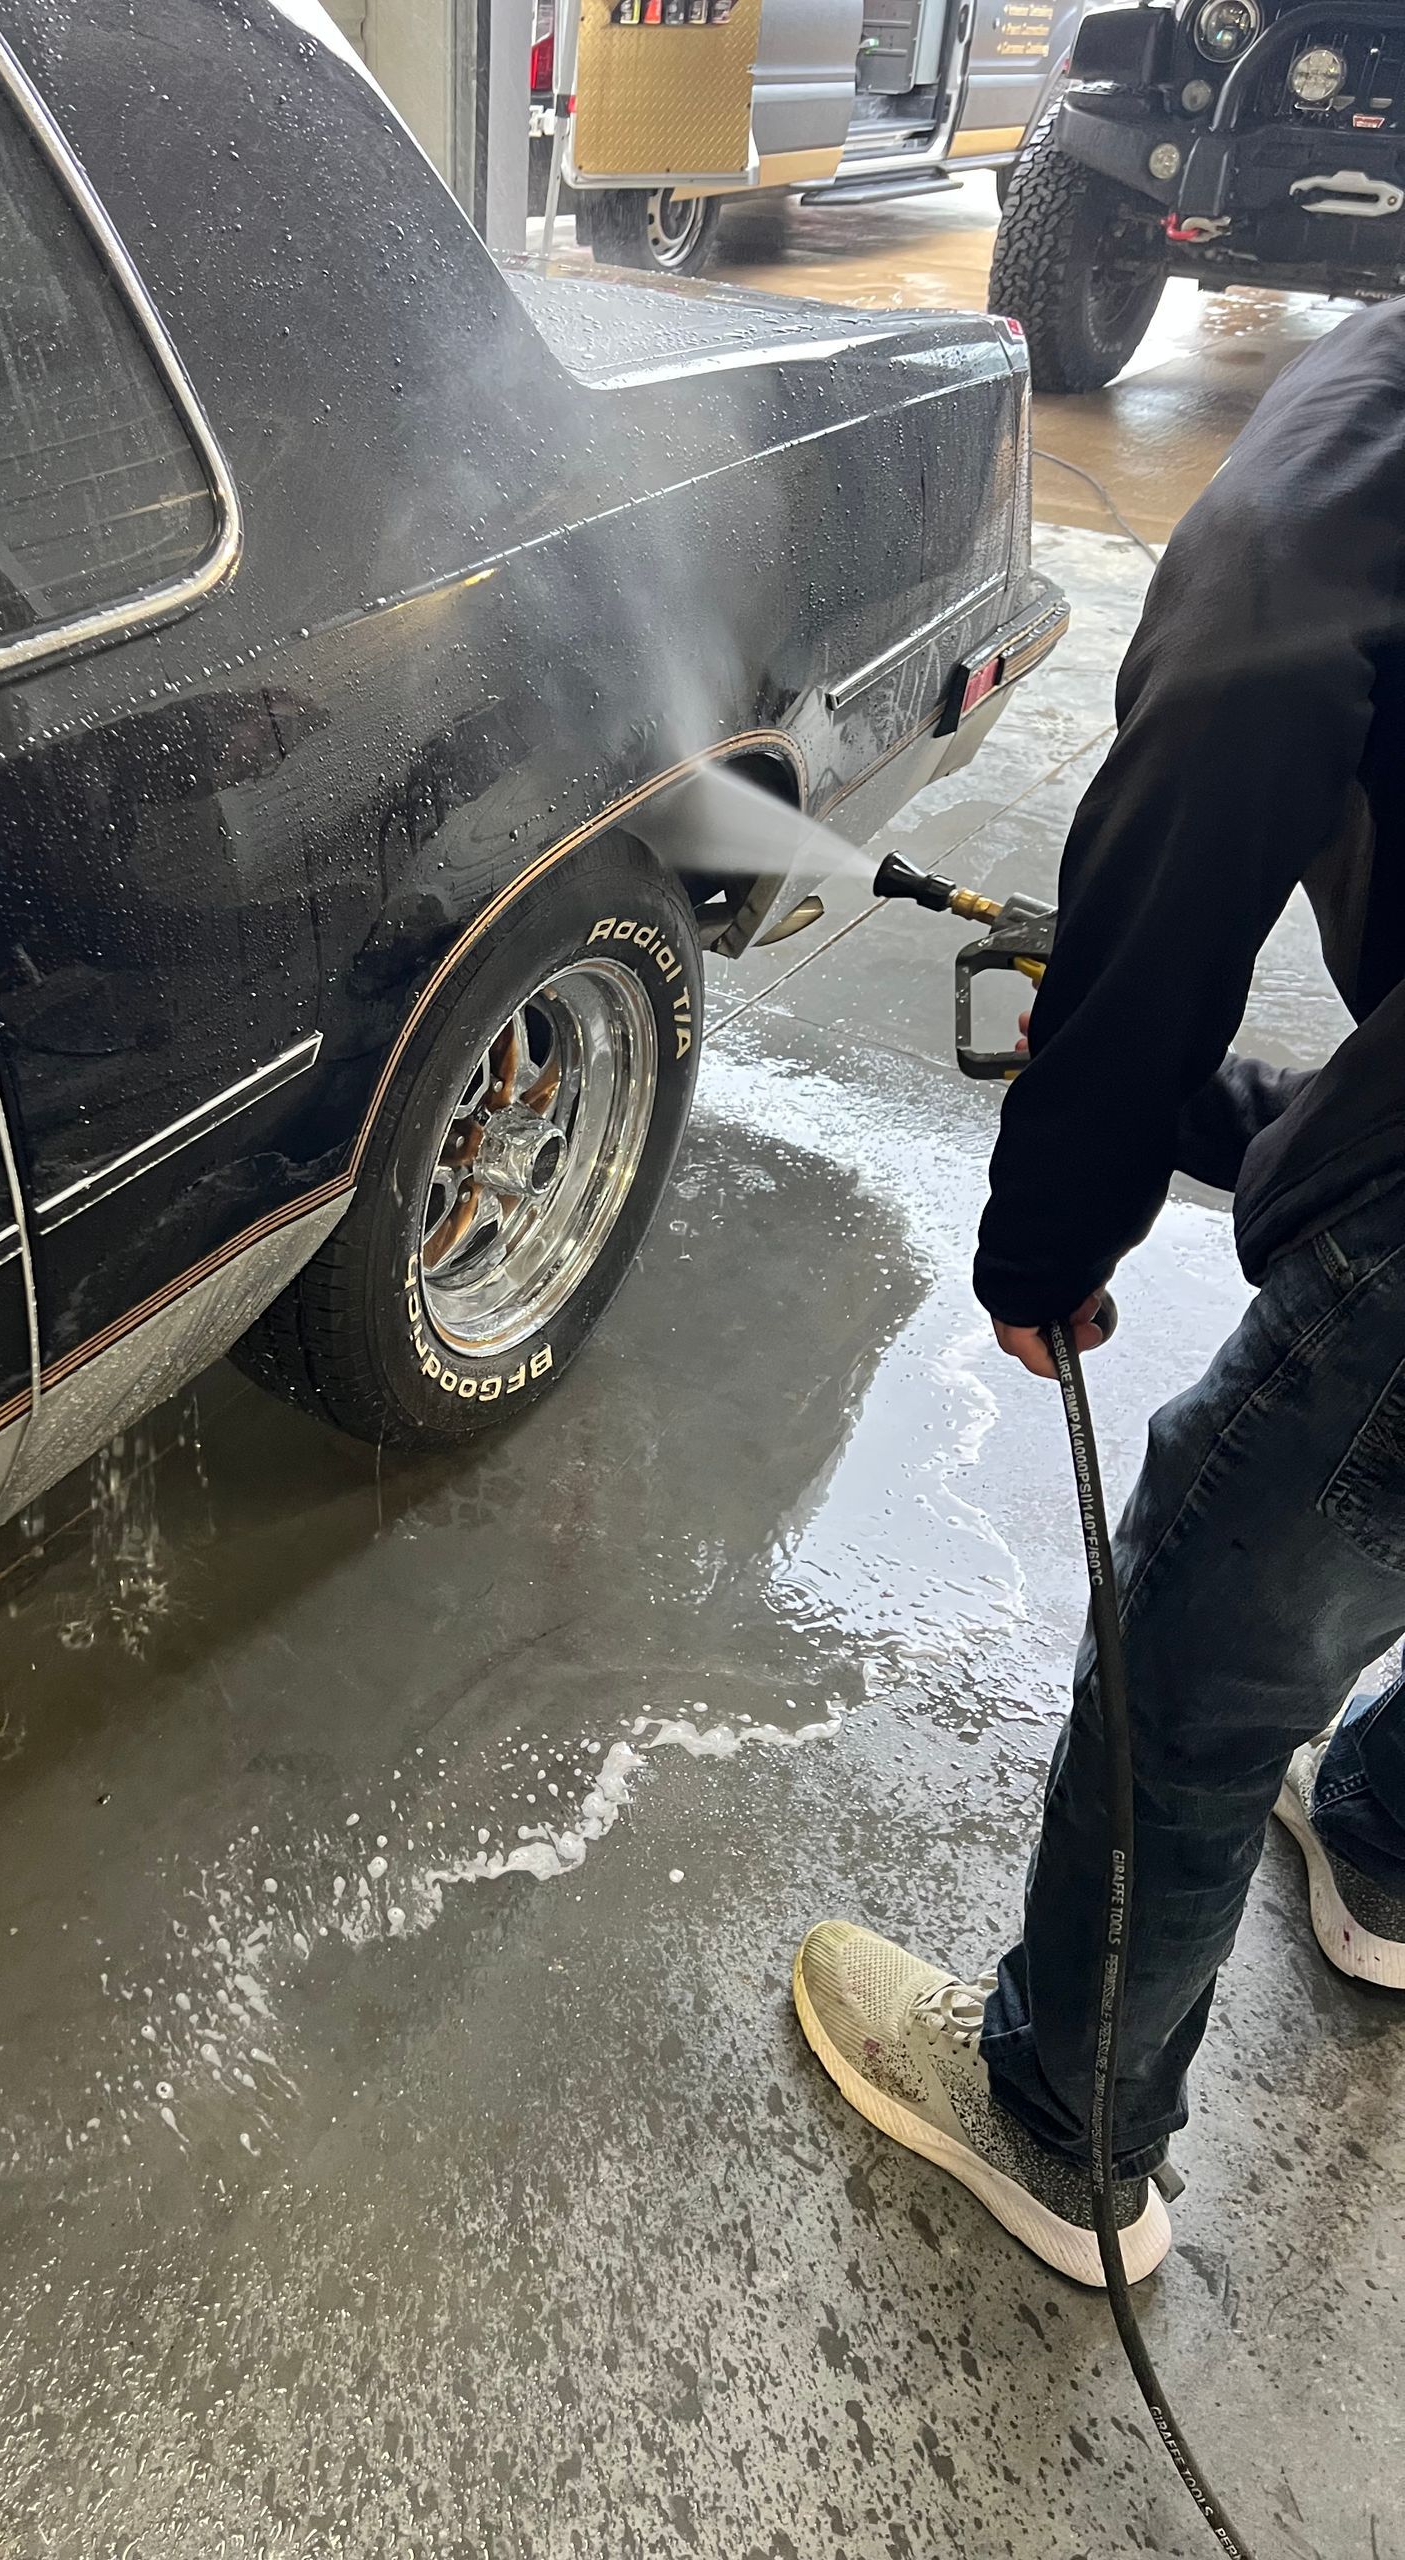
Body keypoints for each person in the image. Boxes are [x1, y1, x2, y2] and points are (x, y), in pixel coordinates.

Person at [792, 296, 1405, 2286]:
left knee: (1215, 1657)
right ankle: (1390, 1852)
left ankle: (1060, 2120)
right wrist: (1248, 1116)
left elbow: (1209, 785)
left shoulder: (1340, 478)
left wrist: (1052, 1231)